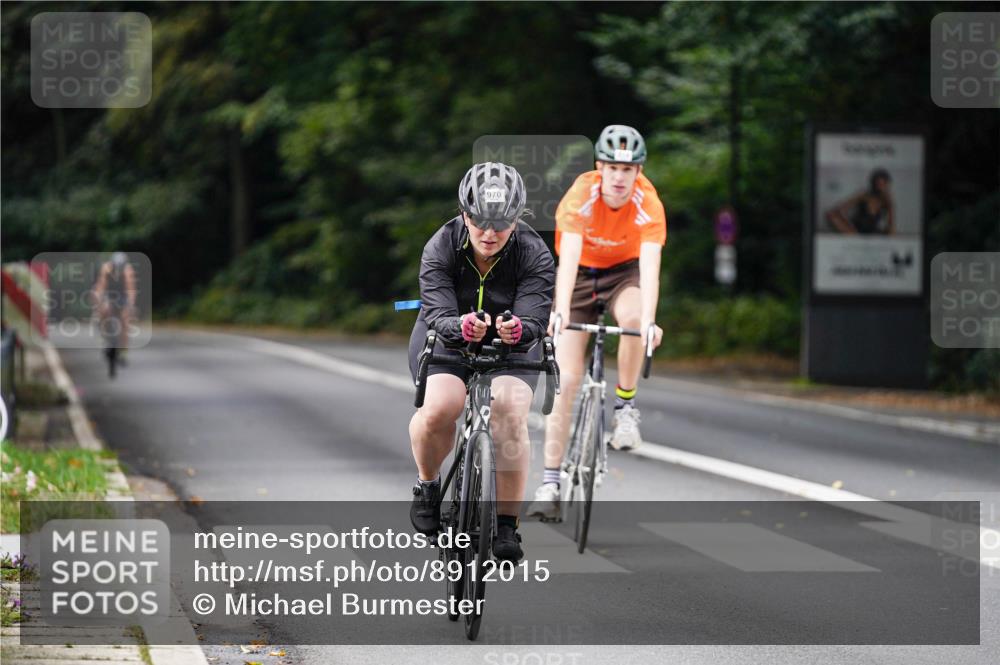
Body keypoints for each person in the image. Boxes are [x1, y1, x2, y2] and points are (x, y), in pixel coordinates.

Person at [408, 162, 555, 561]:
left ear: (517, 218)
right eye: (479, 221)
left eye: (502, 223)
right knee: (441, 406)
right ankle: (427, 484)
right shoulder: (441, 244)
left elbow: (536, 317)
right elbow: (436, 311)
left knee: (508, 411)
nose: (489, 233)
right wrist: (459, 326)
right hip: (448, 334)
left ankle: (507, 526)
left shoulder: (533, 252)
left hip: (512, 343)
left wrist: (519, 330)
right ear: (464, 214)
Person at [527, 125, 666, 523]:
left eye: (629, 170)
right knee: (567, 380)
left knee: (636, 320)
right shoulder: (581, 195)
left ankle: (625, 407)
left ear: (638, 172)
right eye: (612, 169)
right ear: (599, 168)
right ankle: (550, 484)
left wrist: (651, 320)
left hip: (624, 274)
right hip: (582, 275)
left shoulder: (648, 203)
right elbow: (566, 258)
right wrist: (560, 310)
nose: (620, 178)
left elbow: (651, 269)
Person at [92, 252, 137, 359]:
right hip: (110, 294)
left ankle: (123, 350)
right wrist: (98, 299)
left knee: (125, 320)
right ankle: (105, 338)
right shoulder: (106, 269)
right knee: (104, 311)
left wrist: (130, 305)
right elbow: (101, 285)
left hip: (122, 295)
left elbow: (131, 289)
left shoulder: (128, 270)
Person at [824, 168, 895, 235]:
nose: (880, 187)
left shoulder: (887, 200)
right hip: (855, 230)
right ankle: (853, 236)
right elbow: (841, 207)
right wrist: (846, 223)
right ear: (873, 183)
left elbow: (891, 224)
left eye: (882, 184)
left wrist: (890, 205)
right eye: (878, 184)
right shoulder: (864, 195)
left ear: (886, 185)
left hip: (873, 232)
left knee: (891, 232)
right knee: (831, 214)